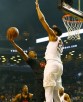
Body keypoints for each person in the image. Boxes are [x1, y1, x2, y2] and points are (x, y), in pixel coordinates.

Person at [35, 0, 64, 102]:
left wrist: (37, 8)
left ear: (54, 32)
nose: (49, 32)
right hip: (59, 66)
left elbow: (42, 19)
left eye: (51, 30)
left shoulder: (54, 36)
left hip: (52, 65)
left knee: (48, 92)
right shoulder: (60, 41)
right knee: (56, 95)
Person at [7, 31, 45, 102]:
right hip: (40, 82)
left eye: (32, 51)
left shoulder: (42, 60)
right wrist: (13, 42)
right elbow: (22, 52)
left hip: (49, 81)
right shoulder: (32, 61)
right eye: (29, 53)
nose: (31, 52)